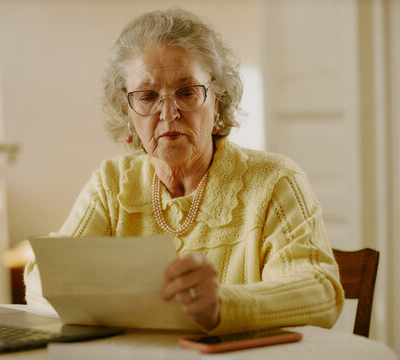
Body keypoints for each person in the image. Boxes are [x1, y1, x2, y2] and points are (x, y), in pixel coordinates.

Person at [24, 8, 344, 333]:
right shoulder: (111, 185)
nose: (167, 113)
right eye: (147, 96)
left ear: (217, 100)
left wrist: (223, 304)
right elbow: (43, 278)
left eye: (187, 92)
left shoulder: (275, 181)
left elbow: (320, 291)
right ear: (128, 112)